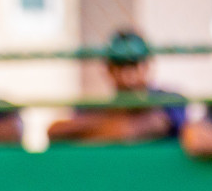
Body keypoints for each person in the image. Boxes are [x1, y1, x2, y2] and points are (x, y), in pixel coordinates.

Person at [48, 29, 187, 145]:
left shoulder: (169, 100)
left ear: (147, 66)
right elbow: (55, 131)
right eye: (120, 65)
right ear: (109, 69)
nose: (128, 74)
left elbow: (128, 131)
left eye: (134, 64)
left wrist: (89, 132)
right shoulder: (95, 106)